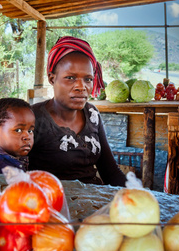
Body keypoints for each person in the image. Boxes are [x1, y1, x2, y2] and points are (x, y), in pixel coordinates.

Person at [28, 36, 126, 187]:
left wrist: (136, 194)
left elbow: (110, 171)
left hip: (92, 200)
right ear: (52, 78)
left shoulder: (92, 114)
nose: (81, 87)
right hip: (52, 203)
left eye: (88, 79)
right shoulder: (33, 118)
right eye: (71, 78)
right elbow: (9, 167)